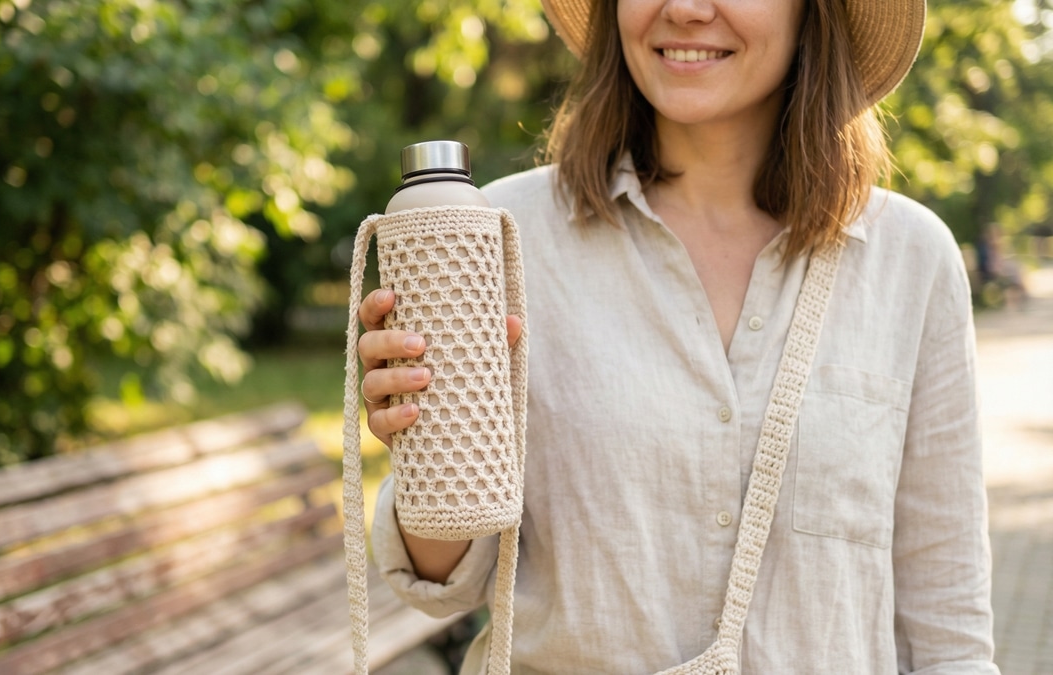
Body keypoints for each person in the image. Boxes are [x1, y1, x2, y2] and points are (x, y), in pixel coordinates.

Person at [356, 0, 998, 671]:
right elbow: (446, 584)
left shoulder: (911, 259)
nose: (686, 9)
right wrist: (425, 445)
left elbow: (948, 624)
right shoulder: (495, 235)